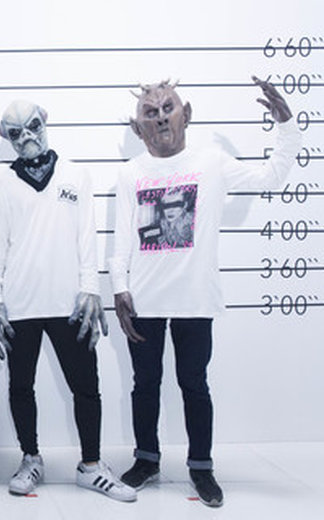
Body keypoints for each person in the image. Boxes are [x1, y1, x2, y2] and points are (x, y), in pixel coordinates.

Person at [109, 77, 300, 507]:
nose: (161, 117)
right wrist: (119, 288)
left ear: (187, 114)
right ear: (138, 128)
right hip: (144, 300)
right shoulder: (130, 173)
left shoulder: (212, 162)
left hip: (195, 298)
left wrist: (286, 125)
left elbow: (271, 177)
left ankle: (201, 467)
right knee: (145, 384)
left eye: (168, 108)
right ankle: (146, 460)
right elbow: (121, 239)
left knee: (194, 384)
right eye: (150, 113)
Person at [0, 100, 135, 501]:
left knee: (86, 386)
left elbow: (87, 237)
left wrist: (91, 288)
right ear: (6, 138)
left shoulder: (76, 175)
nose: (26, 137)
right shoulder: (0, 185)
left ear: (45, 121)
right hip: (19, 304)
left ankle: (91, 465)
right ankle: (30, 458)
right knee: (21, 385)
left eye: (32, 126)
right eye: (15, 132)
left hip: (70, 303)